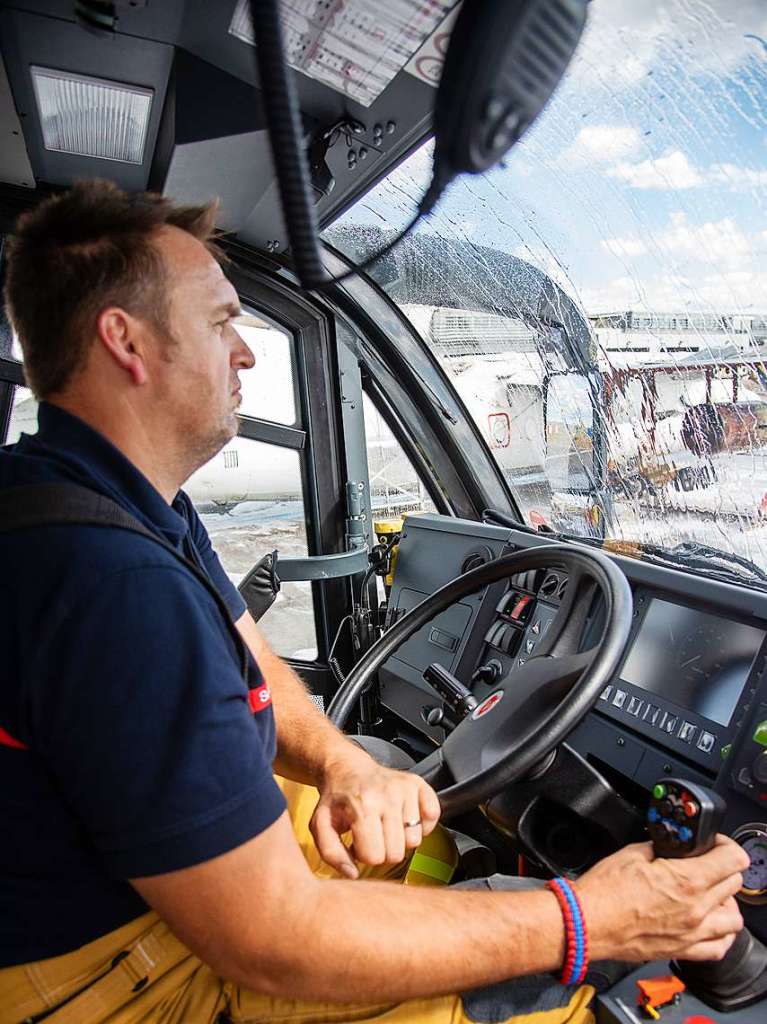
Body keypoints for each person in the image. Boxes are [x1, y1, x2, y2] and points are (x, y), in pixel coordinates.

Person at [0, 181, 749, 1024]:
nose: (245, 354)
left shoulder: (107, 503)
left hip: (112, 892)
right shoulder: (110, 582)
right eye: (221, 322)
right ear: (124, 340)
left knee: (381, 788)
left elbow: (247, 656)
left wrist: (340, 763)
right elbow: (274, 940)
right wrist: (591, 920)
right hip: (111, 980)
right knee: (563, 1002)